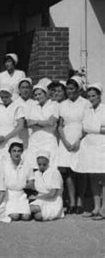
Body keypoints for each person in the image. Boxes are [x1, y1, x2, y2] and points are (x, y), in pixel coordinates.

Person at [57, 77, 89, 214]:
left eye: (72, 88)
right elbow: (59, 126)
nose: (69, 91)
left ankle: (81, 201)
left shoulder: (86, 103)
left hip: (81, 138)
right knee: (69, 172)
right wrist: (64, 141)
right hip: (66, 139)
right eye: (68, 89)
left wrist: (78, 141)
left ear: (78, 89)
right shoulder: (62, 104)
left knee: (80, 171)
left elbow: (87, 124)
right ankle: (72, 202)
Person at [75, 84, 105, 219]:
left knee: (103, 178)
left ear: (99, 96)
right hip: (89, 146)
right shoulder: (87, 110)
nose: (91, 98)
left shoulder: (104, 110)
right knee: (93, 177)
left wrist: (93, 129)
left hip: (101, 146)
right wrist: (98, 129)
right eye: (89, 96)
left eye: (94, 95)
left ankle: (104, 209)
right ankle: (96, 207)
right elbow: (84, 127)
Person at [26, 84, 59, 169]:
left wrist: (36, 122)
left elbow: (51, 122)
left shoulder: (54, 105)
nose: (37, 96)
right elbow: (28, 123)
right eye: (35, 95)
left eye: (40, 94)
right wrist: (44, 122)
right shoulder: (33, 106)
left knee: (50, 167)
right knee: (33, 166)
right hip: (35, 140)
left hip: (49, 139)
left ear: (46, 94)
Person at [0, 86, 25, 163]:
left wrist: (6, 137)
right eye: (2, 97)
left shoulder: (17, 107)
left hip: (12, 137)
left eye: (6, 97)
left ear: (11, 96)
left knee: (11, 161)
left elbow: (20, 126)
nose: (4, 99)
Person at [1, 142, 34, 221]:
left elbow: (31, 183)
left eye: (19, 151)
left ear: (22, 152)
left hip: (21, 195)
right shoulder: (4, 164)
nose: (16, 153)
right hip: (9, 195)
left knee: (26, 217)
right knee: (15, 216)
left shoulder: (27, 165)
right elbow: (1, 182)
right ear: (10, 152)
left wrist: (21, 185)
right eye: (14, 151)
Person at [30, 150, 64, 221]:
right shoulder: (36, 174)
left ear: (48, 162)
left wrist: (36, 197)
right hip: (40, 201)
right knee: (28, 210)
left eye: (44, 164)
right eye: (39, 164)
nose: (41, 166)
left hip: (53, 202)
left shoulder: (55, 173)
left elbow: (52, 194)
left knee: (38, 216)